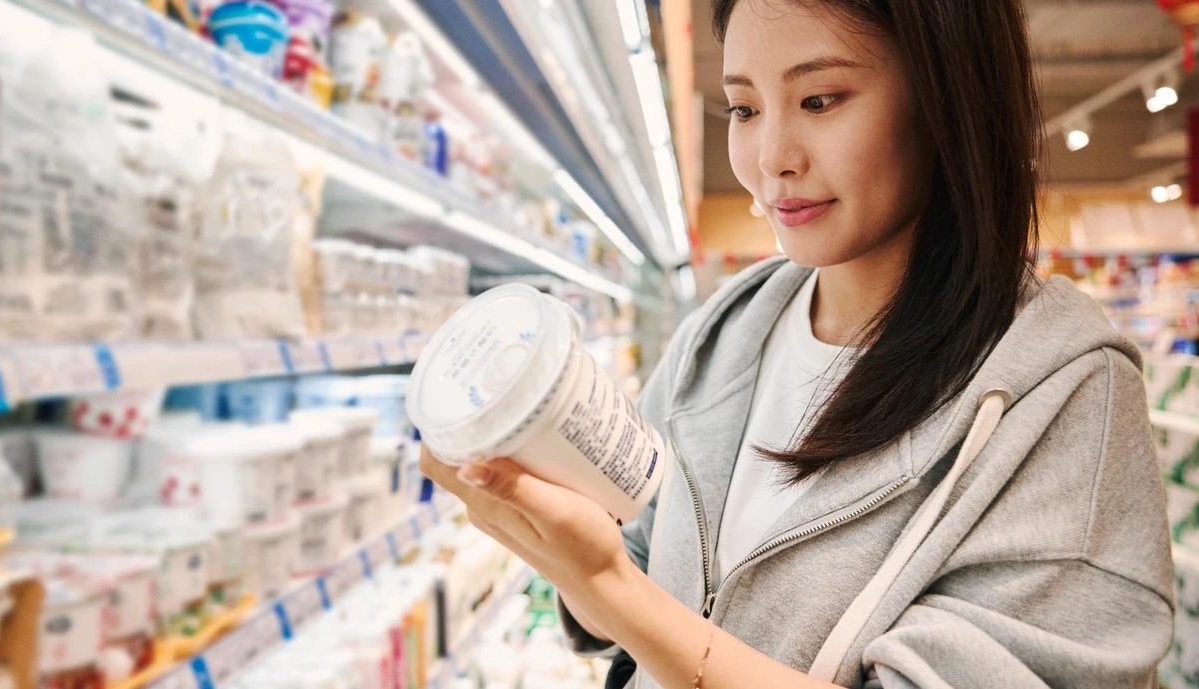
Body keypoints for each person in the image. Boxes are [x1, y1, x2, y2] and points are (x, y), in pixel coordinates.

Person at [420, 0, 1176, 686]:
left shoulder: (1066, 393)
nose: (771, 154)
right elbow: (642, 555)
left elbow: (624, 591)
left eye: (820, 99)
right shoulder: (723, 332)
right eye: (744, 107)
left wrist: (607, 588)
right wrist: (554, 508)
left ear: (947, 100)